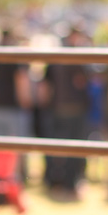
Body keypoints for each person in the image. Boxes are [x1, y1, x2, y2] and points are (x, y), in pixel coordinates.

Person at [39, 24, 90, 199]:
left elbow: (46, 85)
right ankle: (66, 183)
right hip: (71, 108)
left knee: (59, 147)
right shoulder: (78, 57)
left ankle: (57, 182)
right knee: (72, 148)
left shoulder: (56, 55)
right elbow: (83, 82)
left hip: (60, 108)